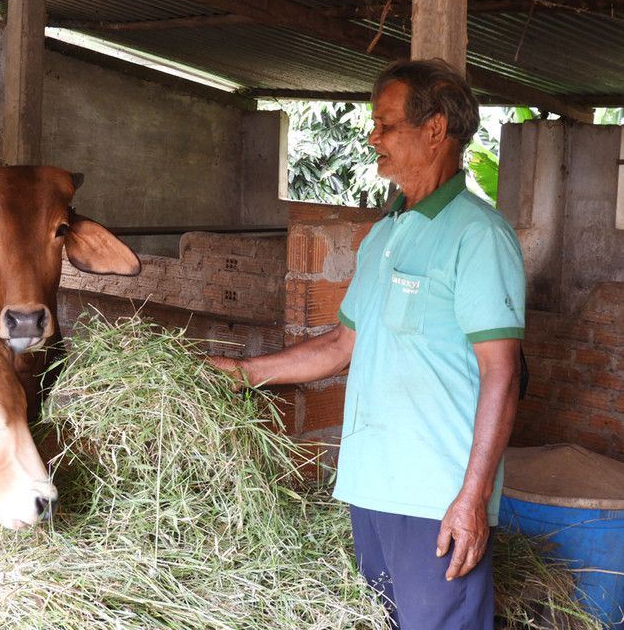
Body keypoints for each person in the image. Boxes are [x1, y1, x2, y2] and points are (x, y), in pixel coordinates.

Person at [210, 58, 525, 630]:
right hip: (372, 485)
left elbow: (502, 373)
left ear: (434, 130)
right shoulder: (384, 233)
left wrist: (472, 499)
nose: (372, 136)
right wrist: (241, 371)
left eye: (385, 123)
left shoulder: (479, 235)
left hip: (437, 498)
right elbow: (341, 344)